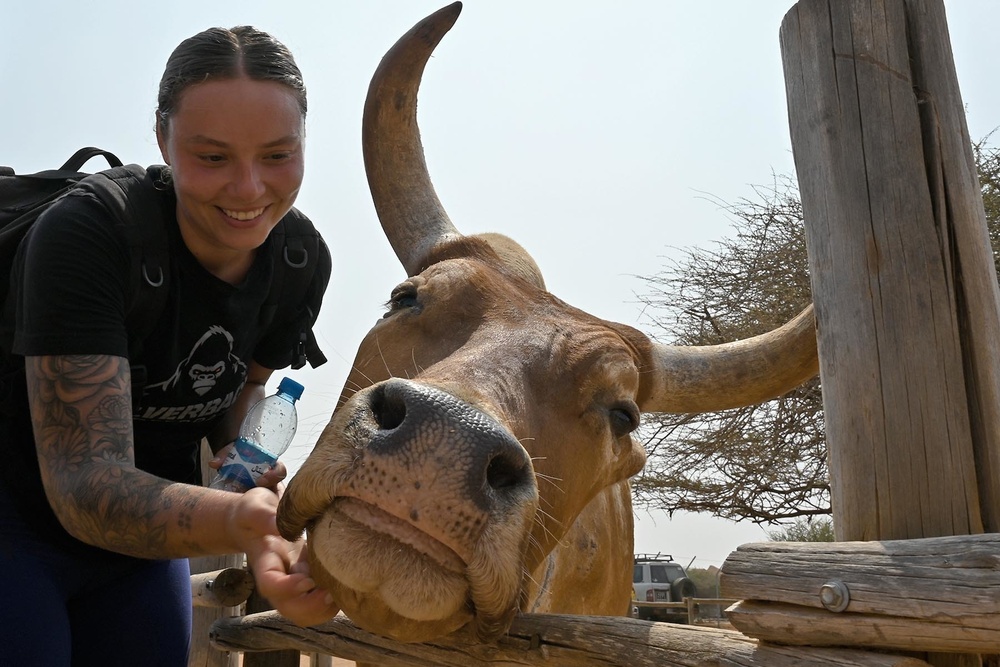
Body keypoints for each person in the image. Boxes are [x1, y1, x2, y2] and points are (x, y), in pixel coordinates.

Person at [0, 25, 340, 665]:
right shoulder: (88, 239)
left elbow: (243, 385)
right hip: (17, 524)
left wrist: (241, 448)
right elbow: (83, 483)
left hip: (143, 546)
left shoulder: (297, 259)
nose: (248, 191)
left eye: (276, 155)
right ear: (162, 138)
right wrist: (244, 521)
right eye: (213, 157)